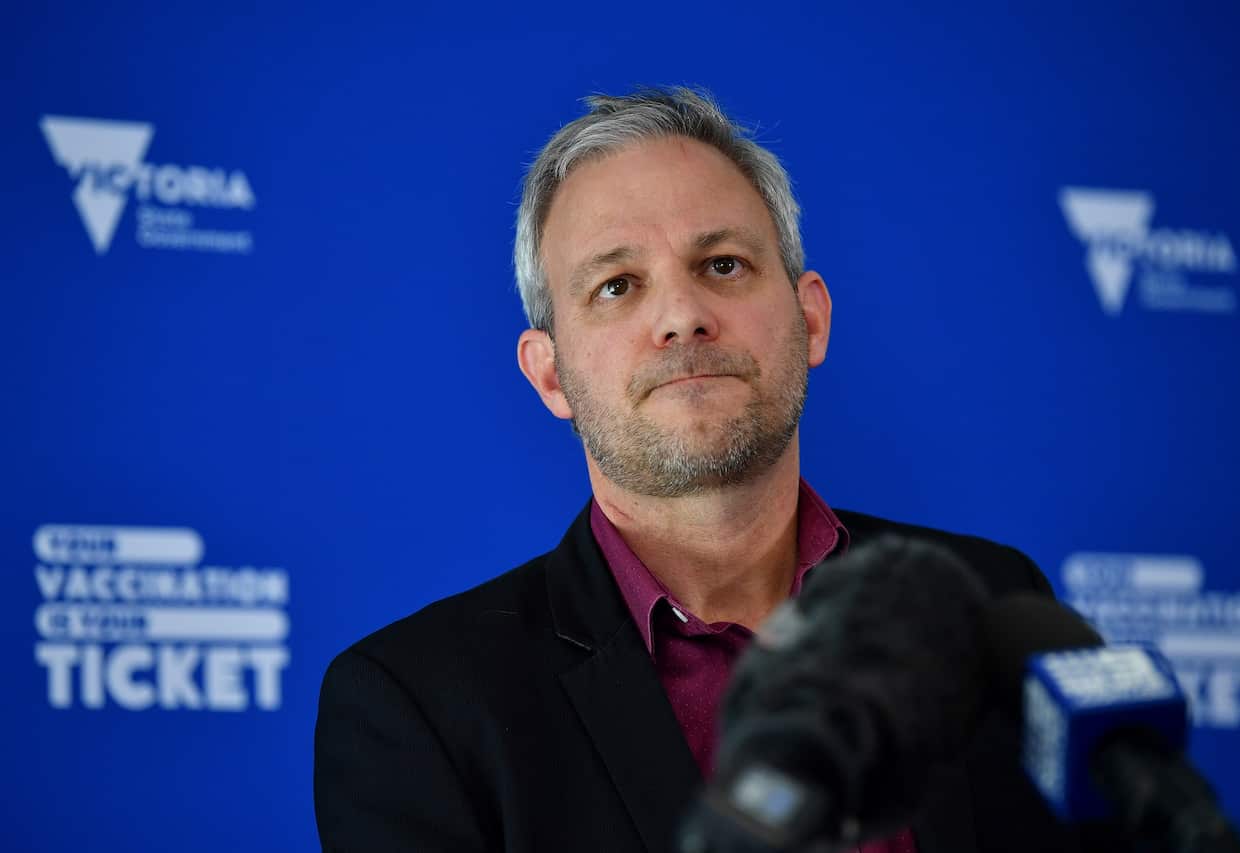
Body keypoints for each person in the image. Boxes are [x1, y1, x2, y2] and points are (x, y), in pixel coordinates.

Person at [314, 87, 1110, 853]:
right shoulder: (417, 708)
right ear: (550, 375)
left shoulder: (993, 602)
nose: (681, 315)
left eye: (723, 264)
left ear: (810, 317)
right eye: (617, 285)